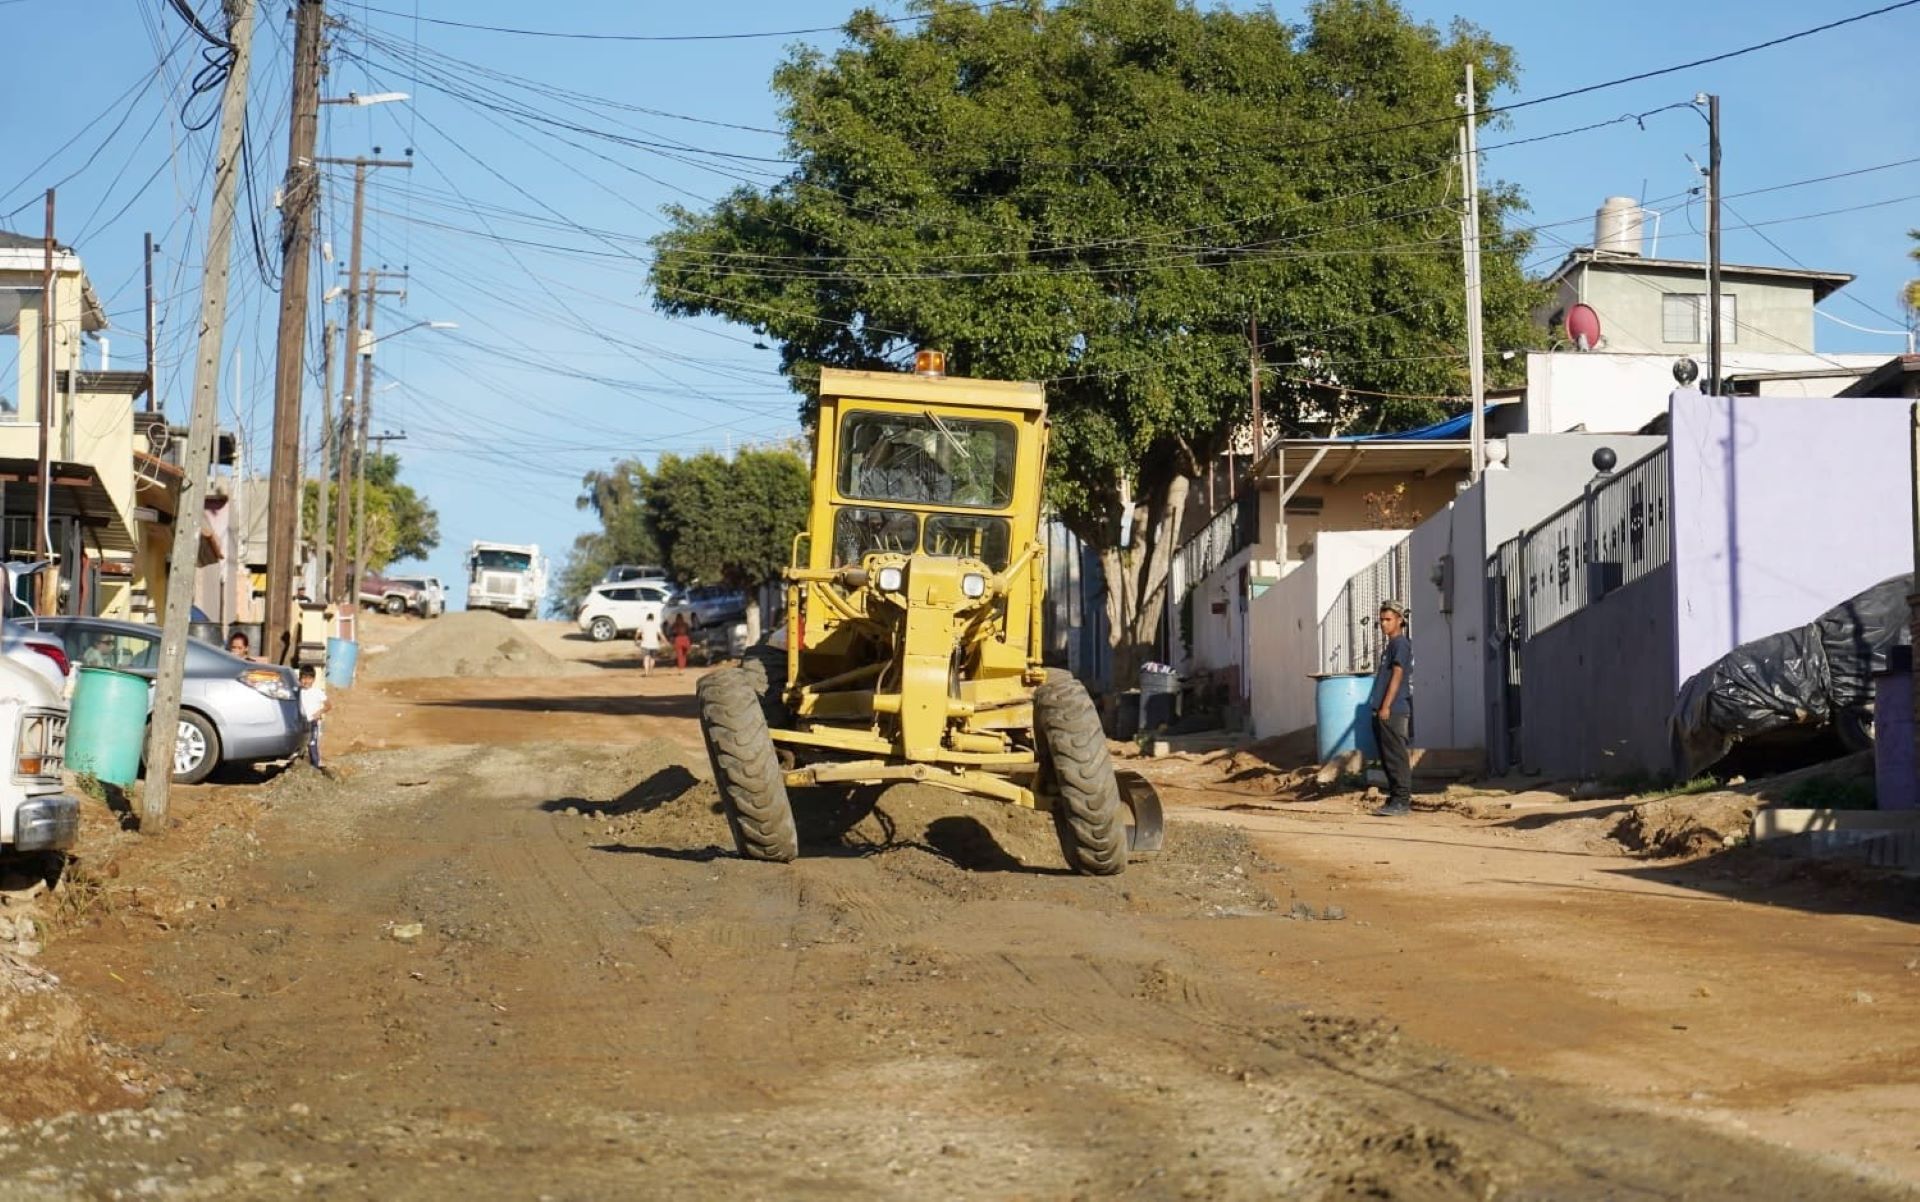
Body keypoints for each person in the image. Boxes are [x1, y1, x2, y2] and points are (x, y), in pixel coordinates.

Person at [1369, 600, 1414, 817]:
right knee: (1387, 757)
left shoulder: (1401, 644)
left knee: (1396, 756)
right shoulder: (1391, 645)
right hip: (1383, 709)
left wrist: (1386, 705)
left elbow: (1397, 675)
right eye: (1381, 620)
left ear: (1400, 620)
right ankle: (1395, 798)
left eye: (1388, 620)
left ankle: (1402, 801)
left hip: (1394, 710)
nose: (1384, 624)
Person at [298, 665, 330, 769]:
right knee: (299, 745)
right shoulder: (298, 692)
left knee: (312, 744)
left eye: (309, 678)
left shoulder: (317, 692)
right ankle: (299, 767)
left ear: (313, 679)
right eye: (303, 678)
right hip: (300, 722)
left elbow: (328, 705)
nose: (306, 681)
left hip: (313, 723)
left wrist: (319, 713)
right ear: (300, 679)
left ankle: (315, 767)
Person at [635, 612, 663, 677]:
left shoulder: (643, 624)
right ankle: (651, 671)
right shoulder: (656, 624)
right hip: (654, 644)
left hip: (645, 644)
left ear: (647, 618)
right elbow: (660, 634)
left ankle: (646, 672)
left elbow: (638, 633)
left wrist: (636, 640)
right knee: (653, 658)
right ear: (653, 618)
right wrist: (664, 641)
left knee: (646, 658)